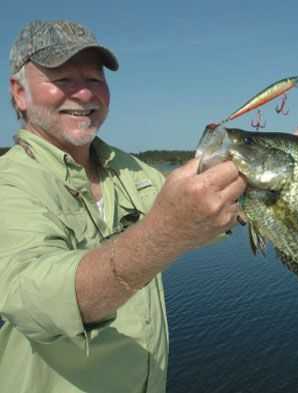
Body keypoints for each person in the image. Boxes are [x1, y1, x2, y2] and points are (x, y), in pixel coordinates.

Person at [0, 20, 246, 393]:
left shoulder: (130, 168)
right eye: (64, 79)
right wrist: (167, 232)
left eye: (95, 79)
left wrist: (287, 166)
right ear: (19, 93)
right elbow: (38, 301)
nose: (84, 93)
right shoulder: (10, 183)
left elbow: (206, 210)